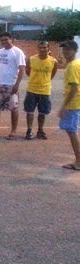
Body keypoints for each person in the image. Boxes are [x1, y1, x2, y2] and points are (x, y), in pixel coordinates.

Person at [0, 32, 26, 140]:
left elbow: (22, 69)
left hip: (11, 85)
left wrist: (17, 84)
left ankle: (13, 131)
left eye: (6, 39)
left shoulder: (18, 52)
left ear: (12, 40)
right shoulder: (0, 53)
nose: (4, 42)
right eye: (2, 40)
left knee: (13, 108)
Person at [24, 40, 57, 140]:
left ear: (48, 48)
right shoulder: (31, 59)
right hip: (32, 89)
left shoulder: (53, 61)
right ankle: (29, 130)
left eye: (44, 47)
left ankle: (40, 130)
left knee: (42, 112)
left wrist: (44, 81)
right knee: (30, 111)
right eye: (40, 48)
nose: (42, 49)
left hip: (45, 90)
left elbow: (52, 74)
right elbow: (28, 72)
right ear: (37, 49)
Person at [58, 40, 80, 171]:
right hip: (75, 103)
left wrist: (64, 106)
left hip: (73, 104)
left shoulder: (72, 66)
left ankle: (78, 161)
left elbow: (74, 88)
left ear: (75, 50)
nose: (65, 52)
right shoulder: (75, 64)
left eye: (68, 49)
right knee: (71, 131)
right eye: (64, 49)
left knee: (71, 132)